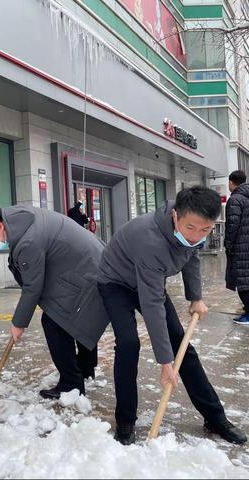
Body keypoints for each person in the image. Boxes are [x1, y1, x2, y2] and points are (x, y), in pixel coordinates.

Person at [97, 185, 247, 445]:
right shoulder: (150, 240)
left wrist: (195, 297)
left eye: (206, 230)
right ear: (175, 215)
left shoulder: (191, 230)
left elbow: (191, 257)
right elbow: (152, 303)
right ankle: (125, 422)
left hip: (147, 279)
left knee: (182, 345)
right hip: (116, 283)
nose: (196, 236)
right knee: (129, 343)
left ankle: (215, 417)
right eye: (191, 228)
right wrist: (165, 362)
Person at [0, 204, 106, 399]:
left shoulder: (27, 241)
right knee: (74, 317)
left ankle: (71, 385)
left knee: (54, 322)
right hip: (89, 266)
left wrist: (18, 323)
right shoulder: (21, 218)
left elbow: (32, 287)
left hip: (87, 273)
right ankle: (85, 369)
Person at [224, 170, 249, 325]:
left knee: (242, 280)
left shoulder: (236, 199)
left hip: (241, 246)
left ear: (232, 182)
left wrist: (229, 244)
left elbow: (232, 225)